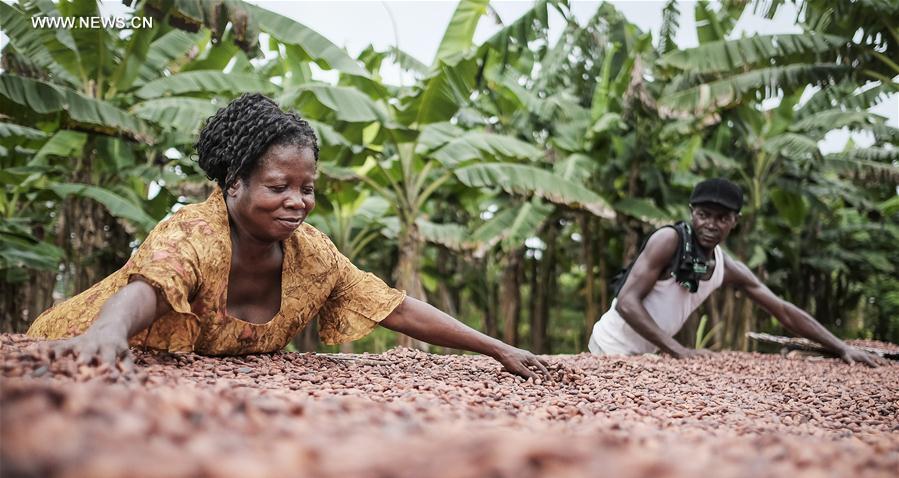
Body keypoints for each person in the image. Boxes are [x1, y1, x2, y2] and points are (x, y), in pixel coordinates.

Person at [28, 94, 549, 379]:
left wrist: (495, 348)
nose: (297, 201)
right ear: (233, 184)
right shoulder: (194, 232)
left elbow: (395, 307)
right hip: (76, 348)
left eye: (307, 188)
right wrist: (107, 333)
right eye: (278, 187)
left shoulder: (312, 255)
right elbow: (149, 288)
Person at [587, 178, 884, 366]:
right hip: (610, 345)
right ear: (692, 212)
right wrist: (678, 350)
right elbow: (626, 302)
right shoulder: (669, 240)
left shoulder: (726, 267)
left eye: (721, 218)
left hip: (647, 355)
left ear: (735, 221)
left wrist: (841, 347)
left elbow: (782, 310)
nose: (711, 225)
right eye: (703, 215)